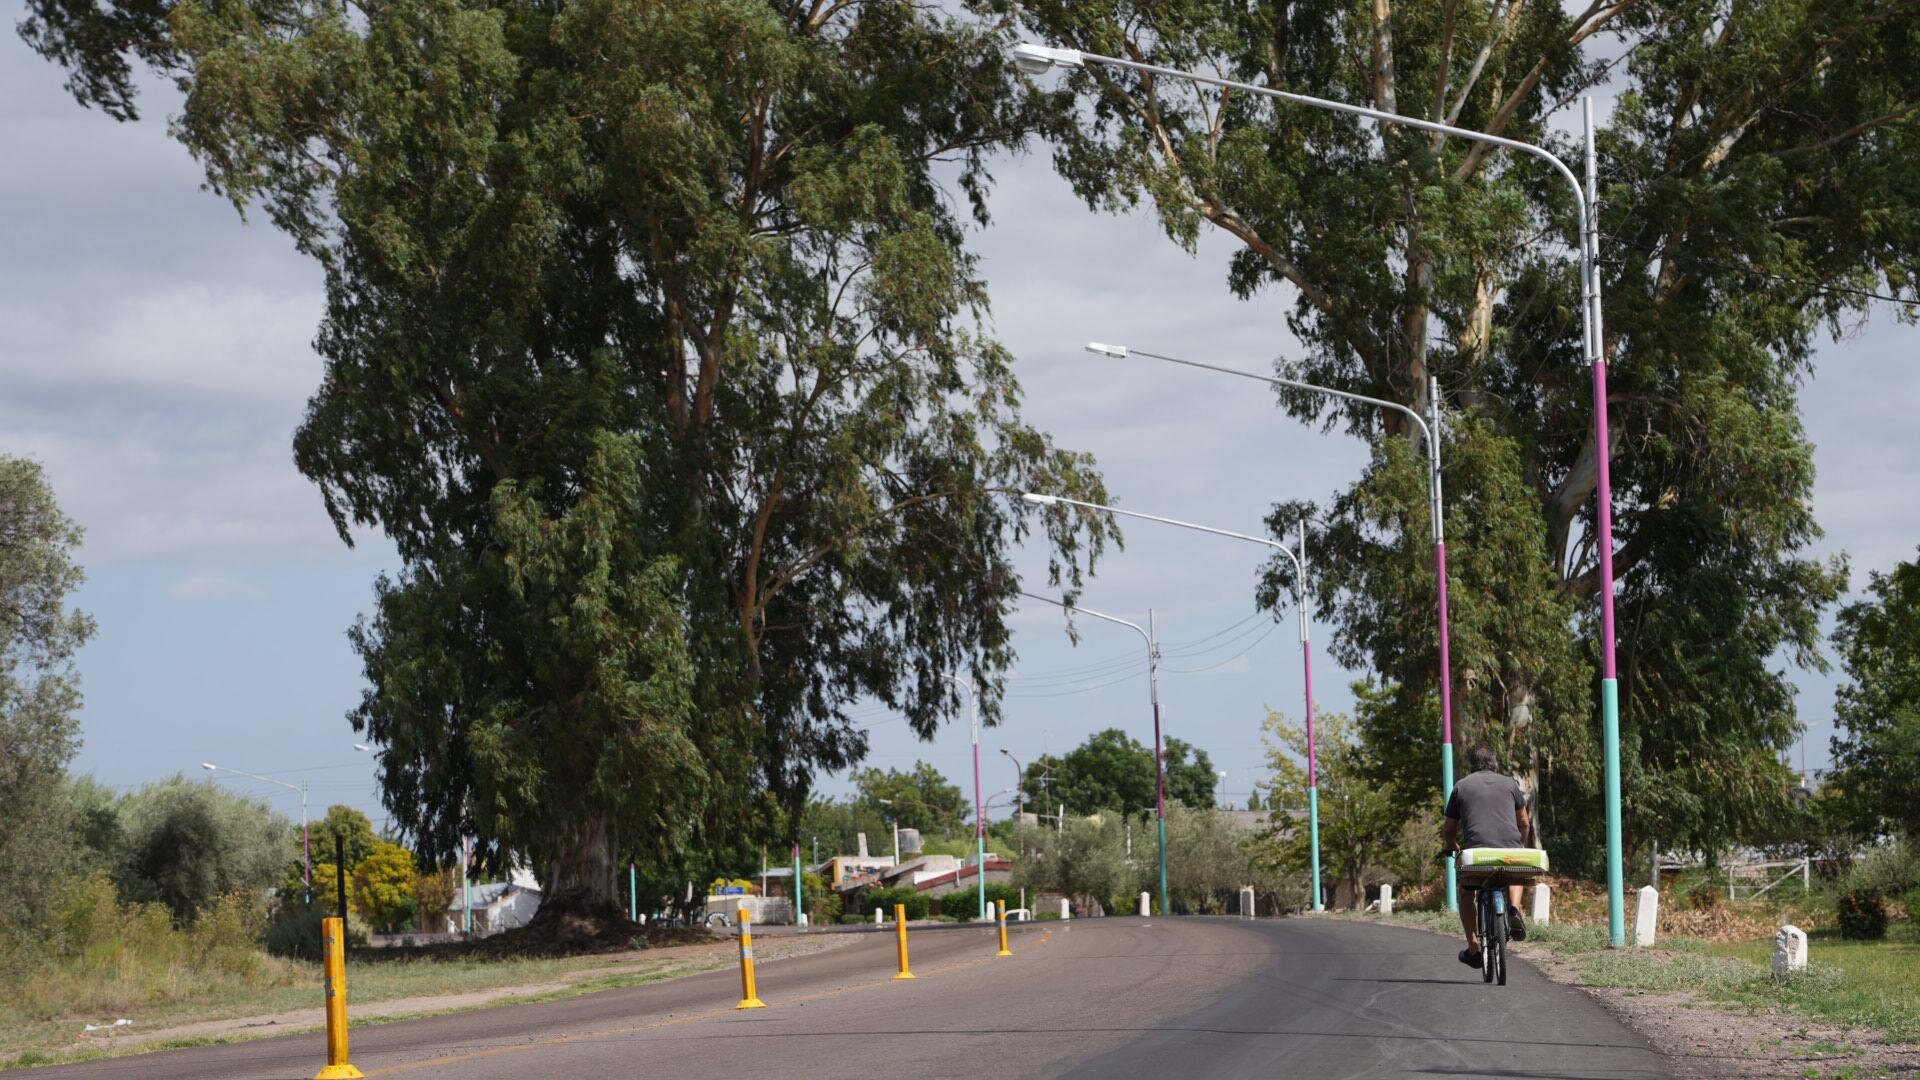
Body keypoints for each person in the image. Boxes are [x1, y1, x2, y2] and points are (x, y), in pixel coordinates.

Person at [1442, 746, 1532, 968]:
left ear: (1472, 764)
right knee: (1515, 873)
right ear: (1495, 763)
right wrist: (1519, 843)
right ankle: (1514, 908)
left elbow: (1449, 828)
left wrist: (1451, 845)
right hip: (1509, 850)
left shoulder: (1461, 786)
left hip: (1477, 853)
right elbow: (1524, 822)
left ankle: (1473, 947)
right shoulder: (1510, 784)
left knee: (1466, 893)